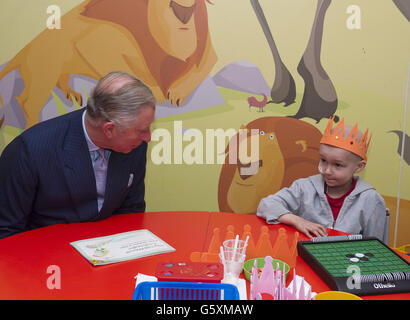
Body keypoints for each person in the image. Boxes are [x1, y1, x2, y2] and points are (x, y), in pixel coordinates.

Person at [0, 71, 156, 239]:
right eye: (142, 131)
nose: (148, 138)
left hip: (110, 253)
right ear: (109, 129)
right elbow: (7, 232)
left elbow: (131, 212)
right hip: (47, 256)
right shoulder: (29, 151)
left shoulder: (134, 145)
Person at [257, 117, 386, 240]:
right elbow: (266, 205)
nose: (327, 170)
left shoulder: (370, 199)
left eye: (338, 165)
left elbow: (375, 247)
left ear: (359, 167)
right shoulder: (304, 188)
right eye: (323, 160)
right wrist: (297, 221)